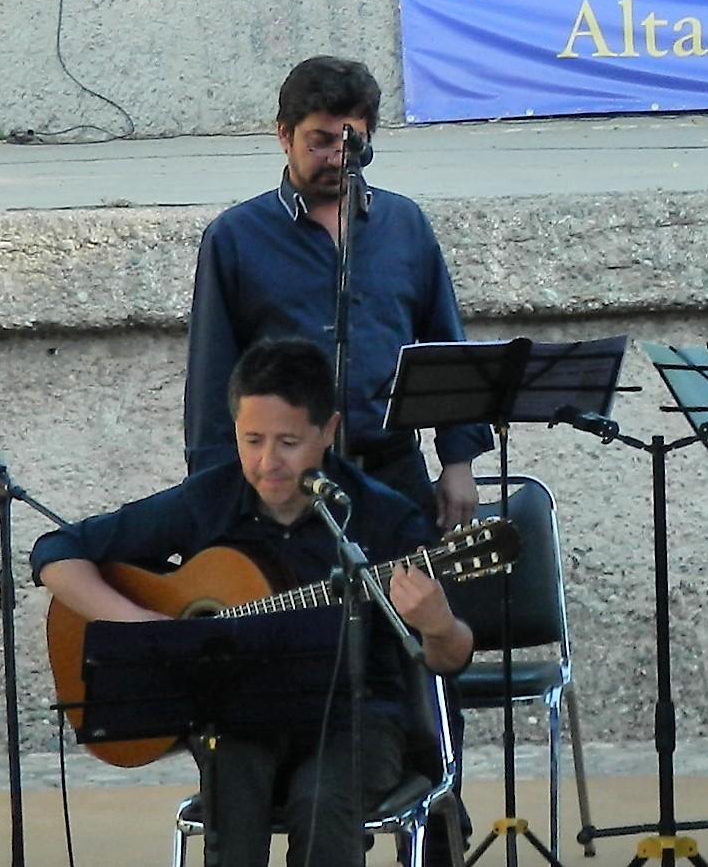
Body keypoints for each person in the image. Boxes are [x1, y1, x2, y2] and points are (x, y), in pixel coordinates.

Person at [34, 339, 470, 867]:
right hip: (243, 717)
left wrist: (434, 621)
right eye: (251, 440)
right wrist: (139, 624)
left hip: (359, 720)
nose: (268, 462)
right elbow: (58, 551)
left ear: (330, 432)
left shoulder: (381, 519)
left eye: (289, 442)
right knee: (232, 758)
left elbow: (451, 657)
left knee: (321, 798)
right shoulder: (208, 501)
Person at [183, 58, 489, 530]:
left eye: (350, 143)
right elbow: (212, 379)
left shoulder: (403, 225)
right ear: (285, 136)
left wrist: (458, 460)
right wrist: (215, 494)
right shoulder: (235, 238)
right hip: (288, 480)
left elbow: (445, 345)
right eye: (319, 142)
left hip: (394, 470)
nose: (335, 159)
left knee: (406, 602)